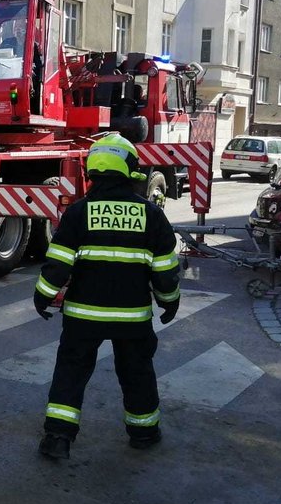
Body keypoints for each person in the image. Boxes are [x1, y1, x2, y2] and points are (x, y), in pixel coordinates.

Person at [34, 133, 180, 461]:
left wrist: (42, 296)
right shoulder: (152, 215)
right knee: (137, 373)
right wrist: (169, 301)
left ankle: (58, 438)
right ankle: (144, 433)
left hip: (83, 317)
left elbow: (57, 264)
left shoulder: (78, 213)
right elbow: (165, 270)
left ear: (92, 171)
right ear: (129, 171)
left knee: (70, 373)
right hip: (132, 320)